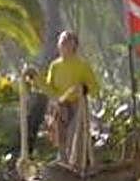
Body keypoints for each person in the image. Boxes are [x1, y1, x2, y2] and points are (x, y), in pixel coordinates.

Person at [42, 31, 99, 159]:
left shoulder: (82, 65)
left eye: (68, 43)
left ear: (74, 46)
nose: (64, 46)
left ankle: (77, 163)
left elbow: (94, 87)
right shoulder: (54, 66)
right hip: (60, 106)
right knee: (60, 137)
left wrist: (82, 89)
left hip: (77, 105)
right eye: (62, 43)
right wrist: (37, 81)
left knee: (74, 135)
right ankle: (63, 163)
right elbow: (49, 87)